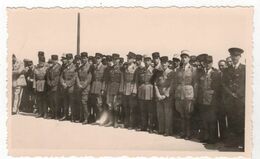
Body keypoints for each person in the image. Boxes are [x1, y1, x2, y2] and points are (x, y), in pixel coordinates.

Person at [223, 47, 245, 150]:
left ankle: (241, 142)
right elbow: (224, 84)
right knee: (231, 120)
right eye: (232, 55)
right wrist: (231, 93)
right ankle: (232, 142)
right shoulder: (227, 70)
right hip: (230, 99)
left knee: (240, 120)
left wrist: (238, 93)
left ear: (240, 56)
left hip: (240, 99)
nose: (234, 57)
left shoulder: (245, 68)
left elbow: (246, 83)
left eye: (236, 56)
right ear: (230, 57)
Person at [173, 50, 198, 139]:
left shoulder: (193, 69)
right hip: (180, 94)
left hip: (189, 94)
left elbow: (195, 83)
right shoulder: (178, 69)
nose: (183, 59)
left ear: (189, 58)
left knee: (188, 114)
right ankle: (183, 132)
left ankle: (189, 133)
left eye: (185, 57)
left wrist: (194, 96)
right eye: (182, 57)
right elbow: (176, 82)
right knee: (181, 114)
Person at [197, 55, 221, 144]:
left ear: (212, 63)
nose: (207, 64)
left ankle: (213, 138)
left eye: (209, 62)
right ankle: (206, 137)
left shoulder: (216, 74)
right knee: (204, 119)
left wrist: (215, 101)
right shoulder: (201, 73)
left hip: (212, 100)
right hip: (202, 99)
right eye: (206, 63)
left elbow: (217, 89)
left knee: (212, 120)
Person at [154, 56, 173, 136]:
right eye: (162, 62)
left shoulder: (171, 72)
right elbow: (155, 84)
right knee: (160, 113)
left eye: (165, 62)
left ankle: (167, 131)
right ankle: (161, 129)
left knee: (167, 114)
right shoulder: (158, 72)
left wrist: (165, 95)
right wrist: (158, 94)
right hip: (159, 95)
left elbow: (172, 85)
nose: (164, 64)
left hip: (167, 96)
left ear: (168, 63)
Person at [136, 56, 155, 132]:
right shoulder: (141, 70)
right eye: (145, 60)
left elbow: (155, 82)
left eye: (148, 60)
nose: (147, 62)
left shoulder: (154, 70)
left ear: (151, 61)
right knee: (142, 110)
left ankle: (150, 127)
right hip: (142, 90)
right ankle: (143, 125)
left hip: (150, 91)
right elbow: (138, 81)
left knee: (150, 111)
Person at [120, 52, 137, 129]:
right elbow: (123, 79)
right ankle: (126, 122)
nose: (128, 59)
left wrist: (134, 90)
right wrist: (122, 89)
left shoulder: (135, 67)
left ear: (133, 59)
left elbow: (136, 80)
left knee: (132, 108)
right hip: (125, 88)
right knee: (126, 107)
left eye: (130, 58)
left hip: (132, 88)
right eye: (127, 57)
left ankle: (132, 124)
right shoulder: (125, 67)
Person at [89, 53, 106, 124]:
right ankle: (96, 118)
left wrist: (102, 89)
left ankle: (101, 119)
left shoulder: (104, 67)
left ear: (101, 59)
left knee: (99, 104)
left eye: (98, 58)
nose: (97, 60)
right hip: (94, 87)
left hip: (100, 86)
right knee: (94, 104)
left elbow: (104, 79)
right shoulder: (94, 67)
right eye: (96, 58)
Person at [60, 53, 77, 121]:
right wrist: (63, 83)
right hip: (64, 87)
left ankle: (73, 116)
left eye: (70, 59)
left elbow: (75, 77)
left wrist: (68, 84)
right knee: (65, 102)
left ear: (72, 59)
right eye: (67, 59)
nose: (69, 60)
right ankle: (65, 115)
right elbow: (61, 77)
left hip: (71, 87)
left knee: (72, 102)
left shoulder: (75, 67)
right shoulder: (64, 67)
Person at [76, 52, 92, 124]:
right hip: (80, 86)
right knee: (80, 102)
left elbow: (89, 78)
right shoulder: (80, 66)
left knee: (84, 102)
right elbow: (77, 76)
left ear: (87, 58)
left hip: (86, 87)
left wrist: (83, 85)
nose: (83, 59)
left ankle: (86, 118)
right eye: (82, 58)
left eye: (85, 58)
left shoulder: (90, 66)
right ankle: (81, 117)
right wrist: (79, 84)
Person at [46, 55, 61, 119]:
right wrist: (49, 82)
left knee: (56, 101)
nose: (54, 61)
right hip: (50, 86)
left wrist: (53, 83)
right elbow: (48, 76)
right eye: (53, 60)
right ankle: (52, 114)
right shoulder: (50, 68)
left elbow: (58, 77)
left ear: (57, 60)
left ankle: (57, 115)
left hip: (56, 86)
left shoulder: (59, 67)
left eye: (55, 60)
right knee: (51, 101)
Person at [217, 59, 228, 141]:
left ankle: (229, 138)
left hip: (228, 100)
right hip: (220, 101)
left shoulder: (229, 74)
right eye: (220, 65)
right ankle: (223, 137)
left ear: (226, 65)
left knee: (230, 120)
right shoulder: (218, 74)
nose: (221, 67)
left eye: (222, 65)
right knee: (221, 119)